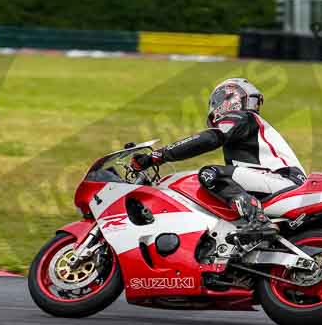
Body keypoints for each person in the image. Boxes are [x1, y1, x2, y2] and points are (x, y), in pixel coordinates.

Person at [131, 78, 306, 236]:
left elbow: (209, 139)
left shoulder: (242, 117)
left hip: (283, 179)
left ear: (227, 99)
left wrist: (158, 155)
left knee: (211, 174)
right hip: (280, 180)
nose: (254, 107)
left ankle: (258, 220)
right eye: (252, 101)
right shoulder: (250, 123)